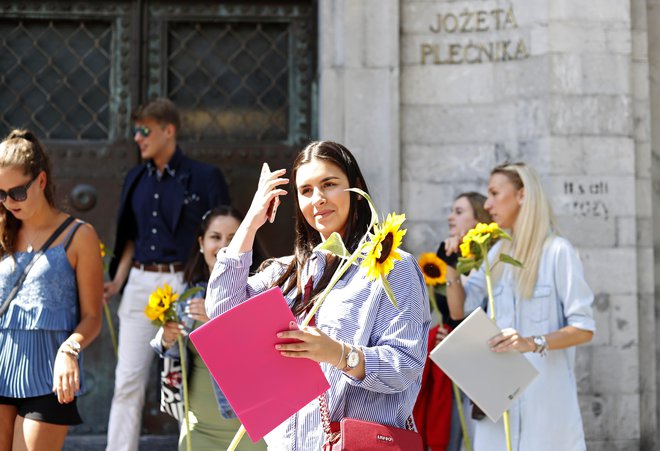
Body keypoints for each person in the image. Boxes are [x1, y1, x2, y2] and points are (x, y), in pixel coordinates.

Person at [205, 140, 431, 449]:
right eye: (306, 190)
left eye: (329, 184)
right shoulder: (284, 273)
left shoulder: (391, 266)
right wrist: (251, 222)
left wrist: (338, 354)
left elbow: (404, 365)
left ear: (356, 187)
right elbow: (221, 314)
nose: (318, 199)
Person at [104, 98, 231, 451]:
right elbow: (130, 238)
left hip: (184, 285)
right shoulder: (135, 178)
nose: (137, 138)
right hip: (141, 283)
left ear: (168, 130)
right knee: (127, 380)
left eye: (145, 130)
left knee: (185, 379)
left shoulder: (205, 177)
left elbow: (223, 233)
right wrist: (117, 281)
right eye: (135, 130)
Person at [445, 162, 595, 451]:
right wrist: (451, 267)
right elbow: (458, 311)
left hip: (545, 405)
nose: (487, 204)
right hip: (497, 402)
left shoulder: (557, 252)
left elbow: (584, 328)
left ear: (522, 195)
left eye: (494, 193)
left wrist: (531, 342)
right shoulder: (495, 254)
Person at [0, 130, 103, 450]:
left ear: (41, 181)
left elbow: (92, 317)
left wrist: (69, 349)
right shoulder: (2, 231)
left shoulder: (79, 235)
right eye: (0, 194)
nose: (8, 202)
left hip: (49, 378)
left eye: (17, 192)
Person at [151, 207, 266, 450]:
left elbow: (267, 358)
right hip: (198, 428)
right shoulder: (190, 295)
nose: (224, 246)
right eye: (216, 237)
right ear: (202, 243)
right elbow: (173, 356)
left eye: (234, 238)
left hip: (252, 429)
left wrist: (218, 322)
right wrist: (167, 339)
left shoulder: (263, 291)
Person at [414, 192, 491, 451]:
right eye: (452, 211)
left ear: (478, 217)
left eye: (459, 212)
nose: (451, 217)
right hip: (449, 358)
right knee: (450, 431)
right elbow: (449, 312)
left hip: (480, 357)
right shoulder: (444, 253)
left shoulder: (489, 259)